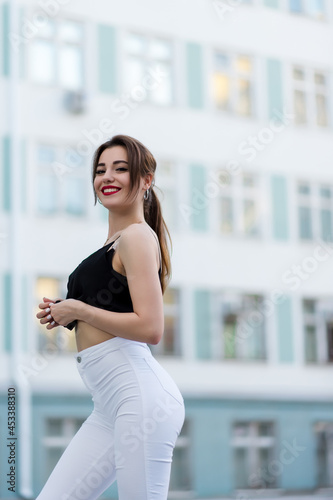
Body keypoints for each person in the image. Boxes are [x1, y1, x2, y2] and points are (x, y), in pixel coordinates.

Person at [35, 134, 185, 500]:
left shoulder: (136, 237)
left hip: (140, 397)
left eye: (120, 168)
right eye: (100, 170)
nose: (107, 177)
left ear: (145, 180)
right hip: (108, 405)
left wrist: (79, 309)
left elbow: (151, 328)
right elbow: (112, 312)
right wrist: (67, 314)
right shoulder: (113, 244)